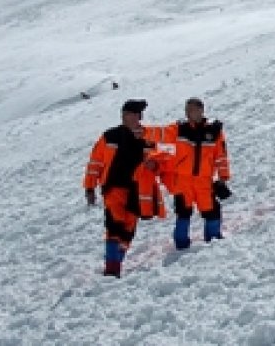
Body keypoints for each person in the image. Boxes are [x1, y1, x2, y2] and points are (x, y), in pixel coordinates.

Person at [83, 99, 166, 277]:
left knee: (128, 229)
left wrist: (155, 166)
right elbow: (95, 163)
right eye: (128, 114)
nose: (131, 117)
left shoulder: (148, 138)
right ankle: (111, 269)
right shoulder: (110, 136)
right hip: (114, 187)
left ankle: (116, 262)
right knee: (114, 224)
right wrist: (89, 187)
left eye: (135, 114)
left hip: (138, 190)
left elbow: (158, 164)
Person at [146, 97, 232, 249]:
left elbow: (221, 156)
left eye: (191, 109)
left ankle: (213, 241)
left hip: (204, 181)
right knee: (183, 212)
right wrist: (142, 131)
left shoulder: (214, 131)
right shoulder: (180, 128)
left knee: (211, 210)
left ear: (201, 110)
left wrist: (223, 177)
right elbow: (162, 133)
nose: (187, 112)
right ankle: (181, 244)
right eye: (186, 109)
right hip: (183, 180)